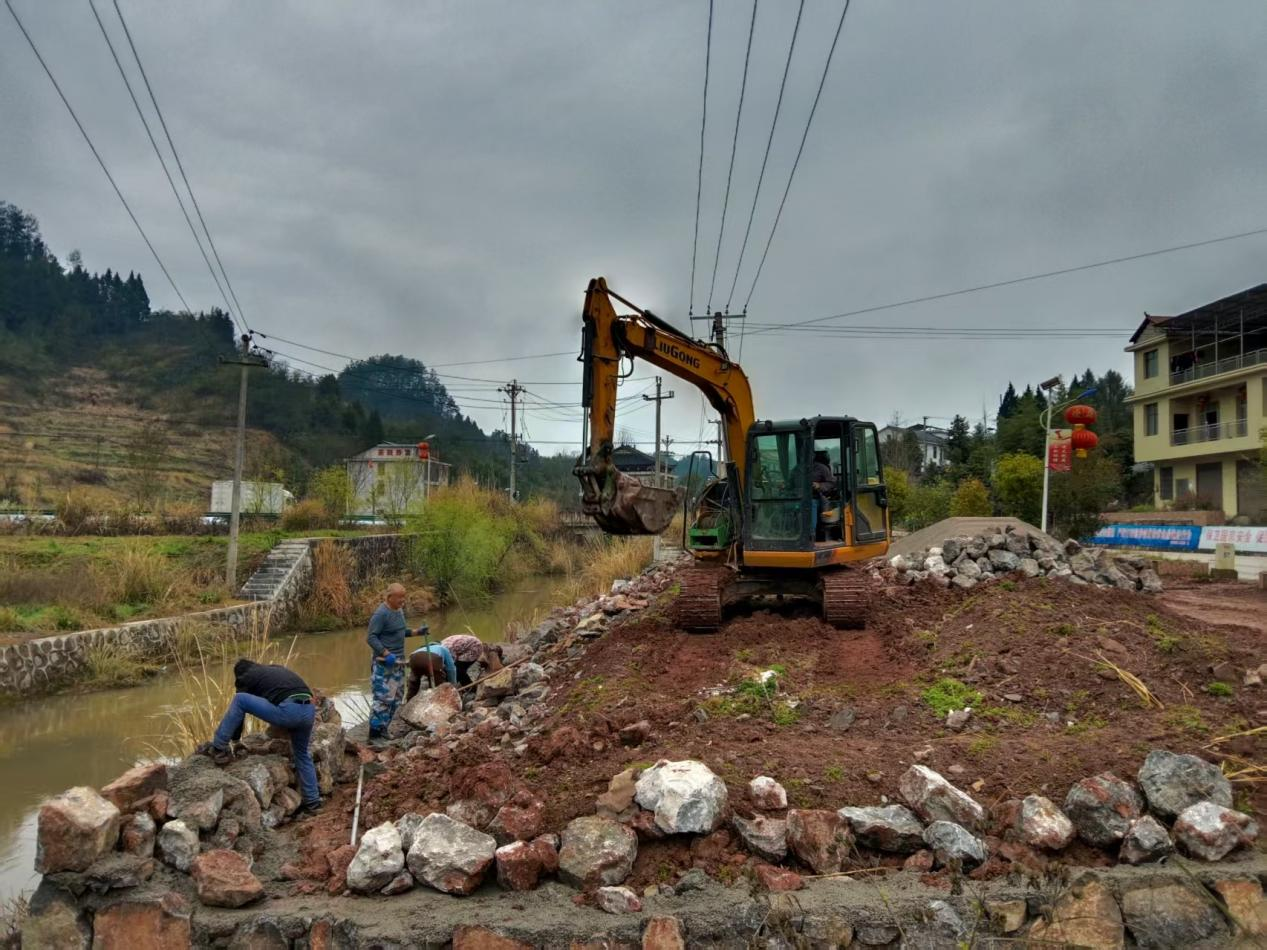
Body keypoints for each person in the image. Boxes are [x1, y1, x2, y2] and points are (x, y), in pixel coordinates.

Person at [196, 659, 321, 815]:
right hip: (308, 710)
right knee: (302, 754)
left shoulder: (245, 677)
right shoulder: (274, 669)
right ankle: (313, 802)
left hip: (288, 710)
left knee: (239, 699)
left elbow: (239, 710)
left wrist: (234, 740)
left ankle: (218, 747)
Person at [366, 582, 427, 740]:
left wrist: (417, 632)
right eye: (400, 597)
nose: (403, 600)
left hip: (399, 663)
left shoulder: (399, 611)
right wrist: (386, 653)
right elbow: (371, 637)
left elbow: (399, 632)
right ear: (390, 597)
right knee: (383, 699)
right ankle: (374, 735)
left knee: (396, 698)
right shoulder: (381, 614)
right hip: (384, 665)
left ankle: (384, 729)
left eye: (404, 597)